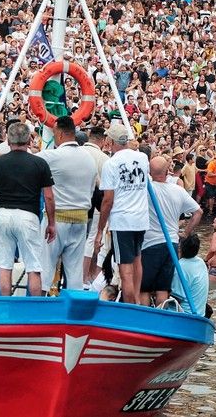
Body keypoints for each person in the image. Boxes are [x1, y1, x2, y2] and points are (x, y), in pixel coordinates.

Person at [0, 122, 56, 297]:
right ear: (28, 139)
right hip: (28, 215)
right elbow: (48, 196)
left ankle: (6, 307)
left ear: (9, 140)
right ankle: (35, 309)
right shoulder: (40, 163)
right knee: (33, 266)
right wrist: (51, 223)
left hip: (3, 214)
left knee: (4, 265)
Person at [36, 116, 97, 294]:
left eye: (54, 133)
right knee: (75, 274)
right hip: (81, 219)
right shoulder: (89, 159)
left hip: (56, 220)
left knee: (45, 270)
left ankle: (38, 310)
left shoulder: (52, 156)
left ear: (60, 134)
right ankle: (73, 317)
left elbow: (24, 161)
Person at [95, 123, 149, 304]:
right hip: (141, 218)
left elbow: (108, 200)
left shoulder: (111, 164)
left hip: (123, 220)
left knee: (125, 269)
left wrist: (100, 228)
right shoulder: (142, 158)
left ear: (110, 141)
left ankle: (130, 306)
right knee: (138, 261)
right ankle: (137, 301)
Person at [141, 156, 202, 306]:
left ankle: (145, 321)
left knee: (144, 289)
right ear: (167, 171)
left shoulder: (146, 189)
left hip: (150, 244)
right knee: (163, 289)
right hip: (172, 243)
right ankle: (161, 319)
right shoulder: (178, 190)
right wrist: (186, 233)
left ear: (150, 171)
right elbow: (198, 212)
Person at [81, 126, 110, 287]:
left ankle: (87, 275)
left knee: (80, 240)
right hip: (97, 202)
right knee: (92, 239)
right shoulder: (105, 159)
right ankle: (84, 277)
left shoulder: (77, 153)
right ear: (103, 140)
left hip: (75, 201)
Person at [171, 234, 209, 316]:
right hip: (200, 314)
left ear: (180, 249)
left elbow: (176, 299)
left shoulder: (180, 267)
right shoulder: (201, 262)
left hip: (185, 314)